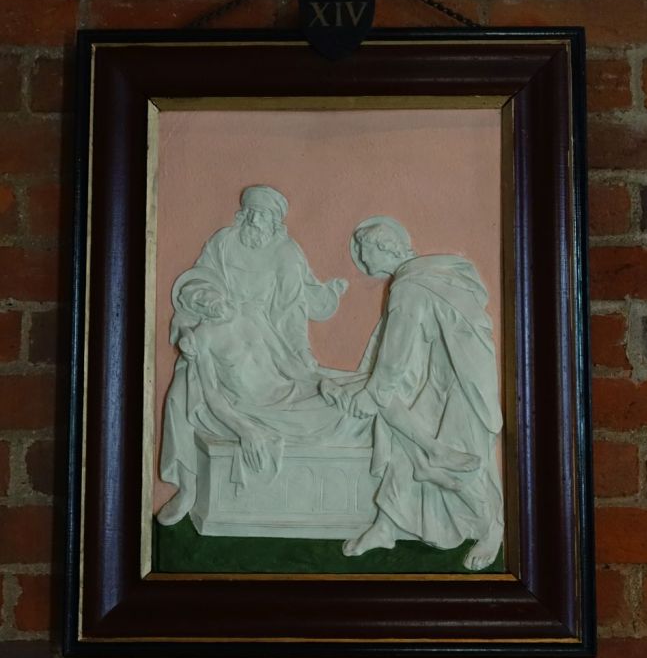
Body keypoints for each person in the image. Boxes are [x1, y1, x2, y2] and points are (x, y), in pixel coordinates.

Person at [157, 185, 348, 525]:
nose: (256, 222)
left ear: (276, 222)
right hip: (216, 334)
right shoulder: (223, 242)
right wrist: (187, 332)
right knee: (178, 395)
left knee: (306, 385)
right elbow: (197, 286)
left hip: (266, 339)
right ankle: (187, 486)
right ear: (242, 214)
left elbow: (291, 312)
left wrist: (301, 353)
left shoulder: (286, 254)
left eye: (264, 216)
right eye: (252, 214)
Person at [322, 216, 504, 571]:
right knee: (402, 438)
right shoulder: (432, 275)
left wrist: (369, 395)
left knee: (460, 461)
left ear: (385, 248)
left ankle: (491, 527)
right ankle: (386, 526)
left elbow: (394, 358)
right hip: (441, 377)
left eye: (364, 249)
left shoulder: (409, 287)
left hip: (461, 384)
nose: (361, 257)